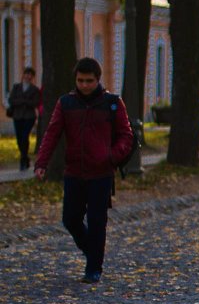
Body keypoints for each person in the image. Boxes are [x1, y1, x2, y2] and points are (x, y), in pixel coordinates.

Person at [34, 58, 134, 283]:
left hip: (101, 173)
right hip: (74, 171)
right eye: (81, 80)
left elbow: (126, 136)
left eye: (89, 81)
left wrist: (111, 157)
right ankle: (93, 252)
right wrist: (42, 163)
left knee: (97, 220)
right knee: (70, 219)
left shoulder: (112, 103)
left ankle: (93, 268)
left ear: (98, 79)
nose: (85, 85)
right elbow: (52, 133)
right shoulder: (66, 104)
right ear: (75, 80)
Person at [7, 66, 41, 171]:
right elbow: (11, 100)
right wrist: (24, 101)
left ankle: (22, 160)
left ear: (32, 77)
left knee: (24, 136)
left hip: (29, 117)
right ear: (23, 75)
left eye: (30, 74)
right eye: (26, 74)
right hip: (17, 116)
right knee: (19, 139)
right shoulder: (16, 87)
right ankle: (25, 157)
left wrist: (22, 101)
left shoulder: (35, 89)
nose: (28, 76)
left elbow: (35, 103)